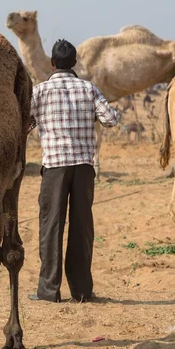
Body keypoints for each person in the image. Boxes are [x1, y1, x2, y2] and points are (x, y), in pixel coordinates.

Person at [28, 39, 120, 303]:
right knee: (81, 227)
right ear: (76, 62)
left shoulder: (41, 91)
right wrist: (87, 116)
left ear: (53, 63)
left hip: (55, 166)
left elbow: (23, 122)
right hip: (83, 167)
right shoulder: (88, 89)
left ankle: (48, 291)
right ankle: (81, 291)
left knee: (51, 227)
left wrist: (40, 120)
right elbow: (111, 119)